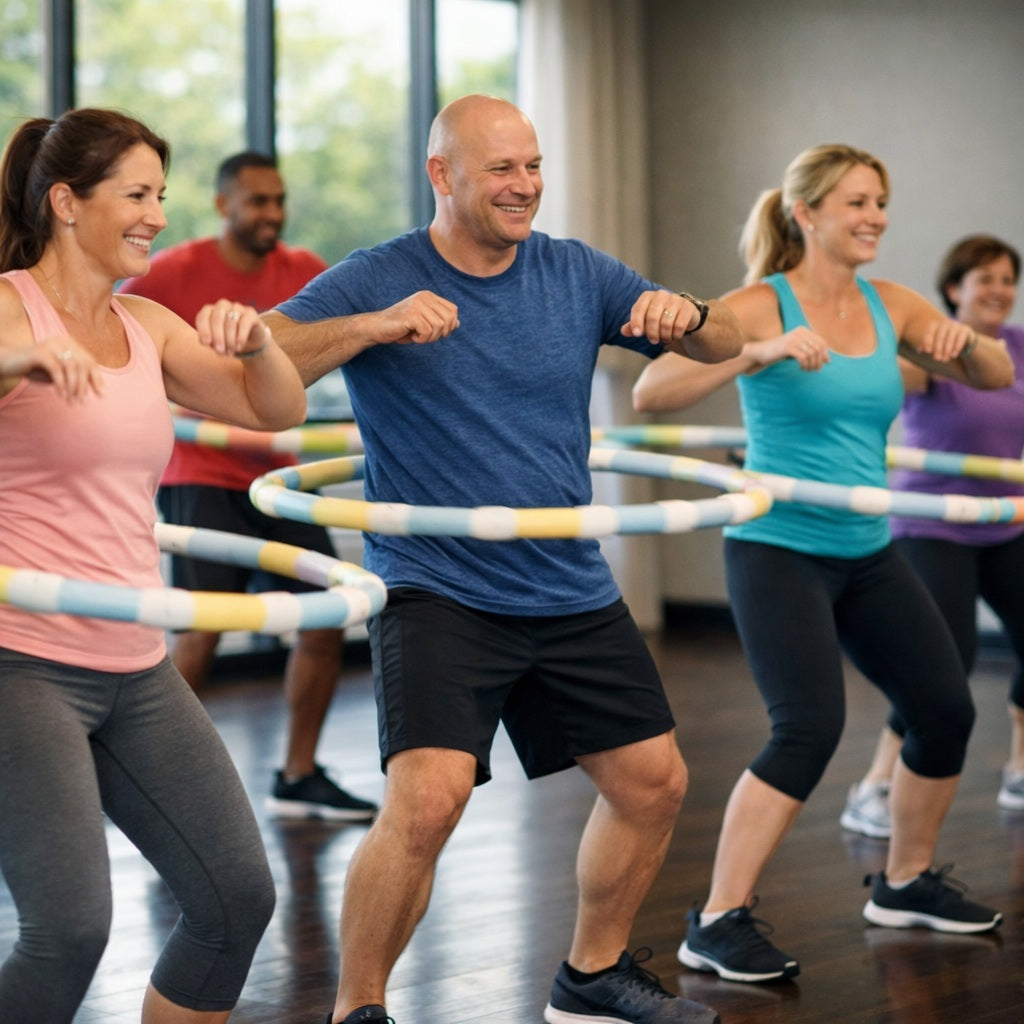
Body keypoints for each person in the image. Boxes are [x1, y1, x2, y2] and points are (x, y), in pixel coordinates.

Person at [261, 94, 743, 1024]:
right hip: (438, 583)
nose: (524, 187)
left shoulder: (576, 273)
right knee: (430, 800)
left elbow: (728, 341)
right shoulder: (380, 274)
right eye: (501, 170)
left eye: (532, 166)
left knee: (655, 783)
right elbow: (270, 349)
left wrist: (688, 313)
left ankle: (591, 977)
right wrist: (373, 325)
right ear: (442, 175)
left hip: (563, 579)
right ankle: (357, 1008)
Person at [632, 144, 1012, 984]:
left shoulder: (894, 304)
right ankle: (718, 919)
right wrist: (755, 354)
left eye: (881, 201)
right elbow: (651, 394)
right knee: (808, 726)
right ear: (806, 213)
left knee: (945, 708)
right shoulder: (755, 306)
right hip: (778, 546)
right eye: (857, 202)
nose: (876, 215)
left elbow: (996, 370)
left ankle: (906, 882)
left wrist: (961, 342)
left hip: (866, 550)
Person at [0, 109, 310, 1022]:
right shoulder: (10, 305)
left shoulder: (146, 324)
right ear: (66, 202)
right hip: (20, 660)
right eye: (136, 195)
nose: (157, 217)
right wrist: (23, 357)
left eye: (160, 197)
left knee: (235, 898)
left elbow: (272, 412)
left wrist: (259, 346)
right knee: (69, 930)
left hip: (134, 665)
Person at [119, 151, 376, 822]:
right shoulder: (173, 273)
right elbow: (114, 344)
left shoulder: (302, 272)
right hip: (202, 473)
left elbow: (352, 338)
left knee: (327, 619)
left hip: (275, 476)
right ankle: (163, 780)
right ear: (222, 205)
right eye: (257, 200)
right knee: (200, 632)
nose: (271, 213)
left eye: (278, 200)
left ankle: (297, 774)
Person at [840, 234, 1024, 839]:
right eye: (984, 279)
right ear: (955, 289)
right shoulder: (930, 348)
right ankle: (876, 786)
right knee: (948, 659)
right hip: (932, 521)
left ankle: (1020, 768)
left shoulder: (1018, 348)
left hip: (1005, 520)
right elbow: (878, 384)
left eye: (1007, 279)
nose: (999, 290)